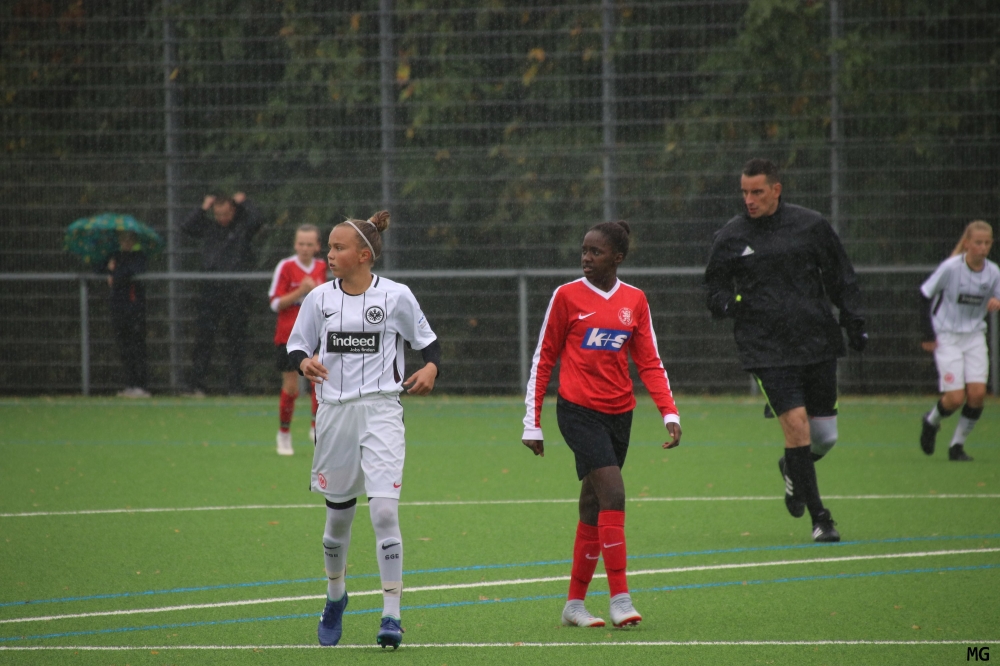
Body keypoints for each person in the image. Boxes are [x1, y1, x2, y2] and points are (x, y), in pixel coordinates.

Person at [286, 210, 441, 649]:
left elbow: (428, 344)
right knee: (338, 520)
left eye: (338, 248)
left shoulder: (396, 296)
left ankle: (391, 614)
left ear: (364, 255)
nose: (329, 254)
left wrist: (431, 367)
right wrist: (303, 361)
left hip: (381, 411)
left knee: (385, 512)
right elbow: (295, 346)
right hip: (334, 415)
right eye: (329, 247)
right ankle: (336, 595)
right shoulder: (319, 299)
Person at [522, 220, 681, 630]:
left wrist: (669, 412)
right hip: (577, 412)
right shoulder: (566, 296)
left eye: (596, 252)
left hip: (620, 413)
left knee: (592, 504)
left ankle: (574, 605)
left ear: (618, 258)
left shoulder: (635, 300)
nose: (586, 258)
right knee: (614, 494)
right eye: (584, 251)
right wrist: (532, 422)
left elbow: (649, 361)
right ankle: (620, 599)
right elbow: (544, 358)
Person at [704, 158, 867, 544]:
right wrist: (729, 304)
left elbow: (841, 276)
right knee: (796, 425)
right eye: (744, 192)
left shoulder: (811, 225)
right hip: (766, 348)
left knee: (823, 437)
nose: (749, 200)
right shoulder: (732, 235)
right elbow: (713, 288)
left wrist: (854, 320)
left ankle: (793, 467)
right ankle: (821, 519)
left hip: (816, 341)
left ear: (776, 190)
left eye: (757, 192)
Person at [918, 220, 1000, 462]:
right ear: (967, 244)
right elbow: (924, 295)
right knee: (955, 398)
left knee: (977, 395)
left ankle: (957, 446)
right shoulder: (951, 268)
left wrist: (997, 301)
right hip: (947, 336)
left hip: (974, 336)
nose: (983, 248)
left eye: (987, 243)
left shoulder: (993, 272)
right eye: (978, 242)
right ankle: (931, 421)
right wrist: (927, 334)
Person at [181, 192, 264, 395]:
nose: (222, 218)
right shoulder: (209, 228)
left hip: (236, 291)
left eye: (226, 213)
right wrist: (203, 207)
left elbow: (258, 220)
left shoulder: (242, 227)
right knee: (204, 338)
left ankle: (235, 387)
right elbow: (186, 226)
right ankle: (196, 385)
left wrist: (245, 202)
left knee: (236, 339)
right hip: (210, 290)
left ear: (233, 211)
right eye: (217, 214)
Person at [268, 224, 327, 456]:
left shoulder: (322, 267)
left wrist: (315, 291)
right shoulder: (286, 266)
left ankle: (316, 427)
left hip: (316, 334)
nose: (304, 248)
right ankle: (284, 433)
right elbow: (275, 303)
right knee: (291, 388)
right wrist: (300, 291)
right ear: (295, 244)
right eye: (301, 243)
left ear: (317, 246)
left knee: (318, 381)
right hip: (289, 336)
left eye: (309, 244)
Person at [106, 231, 150, 398]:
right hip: (118, 307)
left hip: (134, 308)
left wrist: (115, 272)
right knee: (124, 347)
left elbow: (131, 273)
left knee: (137, 346)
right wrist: (109, 269)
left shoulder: (139, 257)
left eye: (129, 239)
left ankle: (141, 385)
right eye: (123, 239)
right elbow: (102, 270)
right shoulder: (115, 257)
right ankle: (130, 384)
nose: (126, 242)